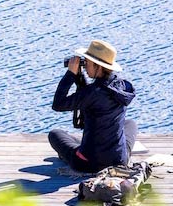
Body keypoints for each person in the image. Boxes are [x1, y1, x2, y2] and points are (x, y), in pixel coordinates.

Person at [48, 39, 137, 172]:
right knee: (130, 123)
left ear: (98, 66)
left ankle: (79, 150)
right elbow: (92, 97)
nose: (84, 66)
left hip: (89, 163)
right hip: (119, 160)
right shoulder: (122, 86)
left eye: (87, 62)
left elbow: (58, 104)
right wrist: (80, 78)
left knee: (55, 134)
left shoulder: (92, 93)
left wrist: (70, 74)